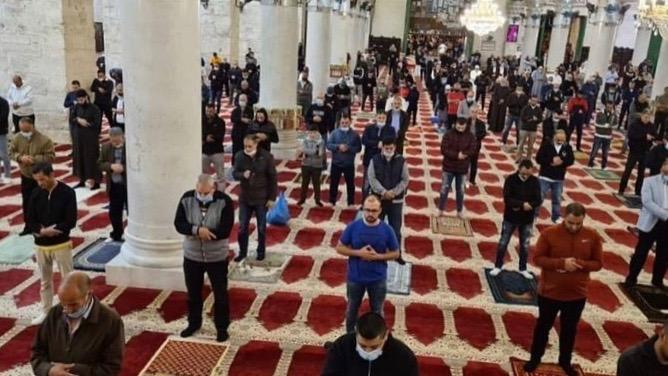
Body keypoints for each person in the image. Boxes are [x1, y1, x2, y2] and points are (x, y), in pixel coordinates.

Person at [524, 203, 603, 376]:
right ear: (564, 217)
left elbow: (598, 263)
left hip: (576, 295)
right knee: (543, 327)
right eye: (570, 223)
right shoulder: (549, 234)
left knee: (569, 330)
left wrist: (580, 264)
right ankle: (535, 358)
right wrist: (561, 264)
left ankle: (565, 361)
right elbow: (537, 259)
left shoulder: (592, 236)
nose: (574, 227)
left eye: (578, 224)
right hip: (549, 292)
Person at [174, 174, 234, 342]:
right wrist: (196, 230)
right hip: (192, 256)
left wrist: (207, 233)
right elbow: (179, 223)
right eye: (199, 193)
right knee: (193, 293)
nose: (201, 196)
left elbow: (225, 229)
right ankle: (194, 323)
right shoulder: (187, 198)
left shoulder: (224, 201)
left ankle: (222, 327)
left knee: (220, 293)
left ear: (213, 189)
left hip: (216, 256)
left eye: (205, 194)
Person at [30, 272, 125, 376]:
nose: (67, 310)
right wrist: (49, 370)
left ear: (88, 294)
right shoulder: (55, 313)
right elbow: (37, 353)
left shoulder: (110, 320)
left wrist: (74, 371)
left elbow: (111, 367)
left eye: (73, 304)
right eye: (63, 303)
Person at [336, 195, 400, 333]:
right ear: (363, 209)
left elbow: (396, 253)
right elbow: (339, 247)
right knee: (352, 309)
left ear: (380, 210)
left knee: (377, 311)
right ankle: (350, 338)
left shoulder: (387, 230)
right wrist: (359, 253)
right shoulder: (353, 227)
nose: (370, 214)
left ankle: (377, 338)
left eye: (374, 210)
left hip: (377, 279)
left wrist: (379, 256)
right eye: (368, 210)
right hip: (355, 278)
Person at [26, 162, 77, 325]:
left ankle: (72, 312)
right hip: (41, 245)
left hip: (61, 244)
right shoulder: (35, 193)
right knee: (45, 282)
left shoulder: (67, 193)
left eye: (42, 179)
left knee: (68, 280)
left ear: (52, 175)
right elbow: (30, 219)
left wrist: (53, 230)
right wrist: (41, 231)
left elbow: (70, 220)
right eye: (37, 180)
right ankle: (46, 312)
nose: (40, 183)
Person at [490, 159, 542, 278]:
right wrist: (522, 204)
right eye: (523, 173)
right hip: (510, 217)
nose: (525, 176)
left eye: (528, 174)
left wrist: (531, 205)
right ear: (519, 169)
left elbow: (538, 199)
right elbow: (507, 198)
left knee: (524, 245)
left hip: (527, 219)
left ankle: (522, 268)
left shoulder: (534, 181)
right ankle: (498, 266)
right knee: (503, 242)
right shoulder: (511, 179)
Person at [321, 312, 418, 376]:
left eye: (374, 347)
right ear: (356, 332)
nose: (367, 351)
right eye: (362, 346)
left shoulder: (404, 356)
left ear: (386, 336)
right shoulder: (341, 347)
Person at [624, 158, 668, 289]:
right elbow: (647, 202)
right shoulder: (649, 181)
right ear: (662, 166)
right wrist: (665, 214)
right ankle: (631, 279)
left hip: (666, 226)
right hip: (651, 222)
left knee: (664, 254)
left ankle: (657, 280)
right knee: (641, 252)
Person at [233, 135, 277, 262]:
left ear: (256, 145)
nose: (247, 148)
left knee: (262, 227)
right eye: (245, 146)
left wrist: (272, 198)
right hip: (245, 198)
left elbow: (273, 178)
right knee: (242, 227)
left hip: (261, 198)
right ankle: (242, 252)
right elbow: (235, 174)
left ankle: (261, 252)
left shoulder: (266, 157)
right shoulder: (239, 156)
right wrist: (242, 175)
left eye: (250, 146)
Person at [10, 117, 55, 236]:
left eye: (26, 131)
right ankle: (29, 226)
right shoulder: (17, 138)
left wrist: (34, 160)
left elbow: (50, 156)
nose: (24, 134)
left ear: (32, 127)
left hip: (41, 178)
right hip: (26, 176)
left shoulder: (44, 140)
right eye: (22, 131)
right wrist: (20, 158)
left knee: (42, 201)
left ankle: (43, 225)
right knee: (27, 202)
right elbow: (11, 152)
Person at [367, 138, 409, 265]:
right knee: (374, 227)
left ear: (395, 148)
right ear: (382, 148)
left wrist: (393, 193)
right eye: (386, 148)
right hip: (378, 201)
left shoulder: (401, 161)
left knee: (395, 229)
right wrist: (384, 192)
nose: (389, 151)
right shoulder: (374, 160)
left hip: (396, 201)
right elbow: (372, 179)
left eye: (391, 148)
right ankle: (372, 253)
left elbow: (405, 180)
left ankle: (397, 254)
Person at [439, 117, 477, 218]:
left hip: (462, 168)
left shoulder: (470, 136)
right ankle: (441, 209)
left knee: (460, 191)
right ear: (455, 124)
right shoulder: (448, 134)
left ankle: (459, 211)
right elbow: (443, 149)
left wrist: (464, 154)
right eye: (458, 127)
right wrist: (456, 155)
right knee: (444, 189)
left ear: (465, 126)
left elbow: (473, 149)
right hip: (448, 167)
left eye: (462, 127)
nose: (460, 129)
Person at [536, 130, 574, 223]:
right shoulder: (546, 145)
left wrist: (562, 161)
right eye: (558, 139)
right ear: (554, 137)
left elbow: (571, 160)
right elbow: (538, 158)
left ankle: (556, 217)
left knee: (557, 199)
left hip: (558, 178)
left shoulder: (567, 147)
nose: (560, 141)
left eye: (562, 140)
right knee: (539, 198)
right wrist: (550, 161)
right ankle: (533, 216)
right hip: (545, 176)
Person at [97, 127, 127, 242]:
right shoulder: (106, 147)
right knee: (114, 211)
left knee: (131, 210)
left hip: (128, 186)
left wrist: (123, 168)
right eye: (112, 141)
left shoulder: (129, 147)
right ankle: (117, 233)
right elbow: (99, 164)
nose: (115, 143)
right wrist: (110, 167)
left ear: (122, 137)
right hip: (114, 185)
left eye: (117, 141)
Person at [70, 89, 102, 189]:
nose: (80, 102)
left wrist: (87, 123)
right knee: (80, 159)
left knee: (91, 159)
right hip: (78, 139)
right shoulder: (76, 107)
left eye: (82, 99)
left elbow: (97, 124)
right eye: (78, 100)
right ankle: (82, 180)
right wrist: (78, 120)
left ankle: (96, 181)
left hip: (90, 139)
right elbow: (71, 119)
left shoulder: (94, 108)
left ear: (86, 97)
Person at [619, 111, 656, 197]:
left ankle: (638, 191)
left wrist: (652, 138)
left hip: (645, 152)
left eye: (648, 117)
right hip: (634, 151)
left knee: (641, 173)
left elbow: (655, 135)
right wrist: (644, 136)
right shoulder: (635, 124)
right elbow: (631, 135)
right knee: (627, 171)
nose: (647, 119)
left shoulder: (651, 126)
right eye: (645, 117)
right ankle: (621, 190)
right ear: (642, 116)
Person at [328, 114, 361, 207]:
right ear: (339, 122)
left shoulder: (355, 135)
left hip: (349, 164)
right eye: (342, 122)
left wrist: (349, 148)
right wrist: (338, 147)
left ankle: (351, 202)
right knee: (334, 183)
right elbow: (328, 145)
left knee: (350, 185)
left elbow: (359, 148)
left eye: (346, 122)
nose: (344, 124)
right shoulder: (334, 133)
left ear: (350, 122)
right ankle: (332, 201)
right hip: (336, 163)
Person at [362, 112, 396, 197]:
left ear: (386, 118)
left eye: (383, 118)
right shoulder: (369, 128)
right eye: (379, 117)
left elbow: (392, 142)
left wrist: (383, 144)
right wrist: (377, 144)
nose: (381, 119)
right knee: (367, 182)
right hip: (369, 158)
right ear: (376, 118)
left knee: (382, 182)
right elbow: (364, 140)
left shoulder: (391, 129)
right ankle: (364, 203)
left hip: (384, 159)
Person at [297, 124, 326, 206]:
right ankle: (302, 199)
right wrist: (314, 151)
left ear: (317, 133)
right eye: (311, 132)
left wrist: (307, 151)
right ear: (308, 133)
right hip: (305, 165)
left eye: (314, 132)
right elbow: (303, 150)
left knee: (316, 183)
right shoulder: (305, 140)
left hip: (317, 165)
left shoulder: (321, 141)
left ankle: (317, 200)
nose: (312, 134)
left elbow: (320, 154)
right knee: (304, 183)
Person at [202, 103, 226, 191]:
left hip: (217, 151)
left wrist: (209, 138)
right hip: (204, 152)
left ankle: (221, 195)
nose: (209, 113)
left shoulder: (220, 122)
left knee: (220, 176)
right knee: (204, 176)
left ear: (214, 111)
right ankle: (206, 191)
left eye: (211, 111)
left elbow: (220, 136)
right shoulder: (201, 121)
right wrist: (205, 138)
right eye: (207, 111)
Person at [587, 103, 617, 170]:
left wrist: (610, 126)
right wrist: (603, 126)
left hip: (608, 136)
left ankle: (603, 165)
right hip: (599, 135)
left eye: (611, 108)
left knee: (605, 152)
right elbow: (595, 123)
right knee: (595, 150)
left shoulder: (614, 115)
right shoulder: (599, 113)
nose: (609, 109)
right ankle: (590, 163)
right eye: (608, 107)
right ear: (605, 107)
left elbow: (616, 124)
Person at [516, 94, 542, 162]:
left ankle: (528, 159)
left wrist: (536, 120)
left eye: (535, 101)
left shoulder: (539, 110)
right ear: (530, 101)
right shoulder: (525, 108)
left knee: (530, 146)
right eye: (533, 100)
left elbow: (540, 119)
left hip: (533, 130)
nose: (534, 102)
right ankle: (518, 158)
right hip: (524, 129)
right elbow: (522, 117)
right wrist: (529, 119)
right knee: (521, 145)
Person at [468, 105, 487, 187]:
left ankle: (472, 180)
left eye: (475, 112)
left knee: (474, 164)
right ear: (469, 112)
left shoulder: (481, 123)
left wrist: (477, 137)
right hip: (465, 145)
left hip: (476, 146)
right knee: (463, 164)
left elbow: (483, 133)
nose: (474, 114)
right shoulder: (465, 121)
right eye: (472, 112)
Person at [0, 94, 10, 184]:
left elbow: (3, 117)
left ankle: (7, 174)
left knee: (4, 154)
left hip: (1, 132)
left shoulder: (3, 102)